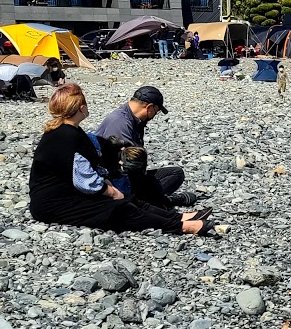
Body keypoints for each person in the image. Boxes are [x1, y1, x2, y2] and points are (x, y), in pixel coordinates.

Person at [29, 84, 212, 235]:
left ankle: (177, 217)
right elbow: (85, 180)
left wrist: (107, 183)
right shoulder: (67, 137)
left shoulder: (68, 132)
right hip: (54, 203)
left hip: (65, 195)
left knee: (130, 200)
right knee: (120, 208)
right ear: (81, 108)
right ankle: (181, 227)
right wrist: (109, 190)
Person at [94, 86, 195, 209]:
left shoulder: (132, 119)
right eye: (156, 111)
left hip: (125, 174)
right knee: (152, 182)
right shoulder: (120, 123)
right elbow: (125, 164)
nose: (154, 116)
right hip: (115, 179)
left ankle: (155, 199)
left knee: (175, 173)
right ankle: (156, 201)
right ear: (149, 107)